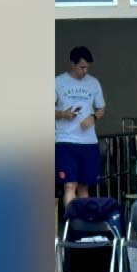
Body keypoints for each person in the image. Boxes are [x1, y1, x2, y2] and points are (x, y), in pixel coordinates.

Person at [55, 46, 106, 207]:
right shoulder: (58, 82)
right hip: (65, 141)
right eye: (81, 67)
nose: (84, 71)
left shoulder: (93, 82)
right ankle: (70, 223)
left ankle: (84, 224)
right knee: (70, 184)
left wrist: (93, 117)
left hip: (89, 142)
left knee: (84, 186)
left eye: (87, 68)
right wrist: (63, 114)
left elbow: (101, 108)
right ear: (73, 64)